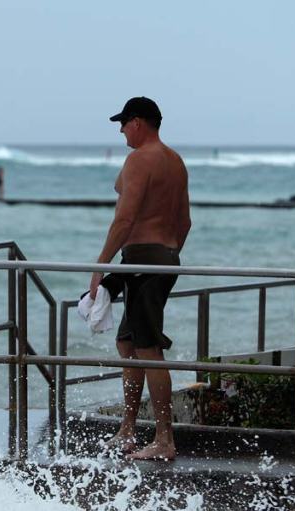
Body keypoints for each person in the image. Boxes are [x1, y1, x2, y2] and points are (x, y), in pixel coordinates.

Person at [89, 96, 191, 461]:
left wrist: (101, 266)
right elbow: (184, 222)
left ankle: (164, 440)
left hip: (142, 259)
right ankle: (128, 429)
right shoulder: (175, 162)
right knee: (128, 343)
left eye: (123, 123)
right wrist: (169, 253)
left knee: (149, 349)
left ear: (137, 122)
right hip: (161, 257)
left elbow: (124, 219)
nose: (120, 131)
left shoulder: (139, 159)